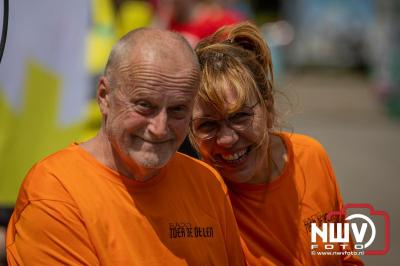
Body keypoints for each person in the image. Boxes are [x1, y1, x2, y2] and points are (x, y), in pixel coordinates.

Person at [6, 28, 245, 265]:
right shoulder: (56, 193)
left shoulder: (207, 184)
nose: (160, 128)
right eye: (145, 106)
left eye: (177, 110)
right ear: (104, 96)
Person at [189, 22, 364, 265]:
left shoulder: (311, 157)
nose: (227, 138)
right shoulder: (198, 196)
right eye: (207, 125)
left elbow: (345, 256)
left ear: (268, 108)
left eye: (240, 116)